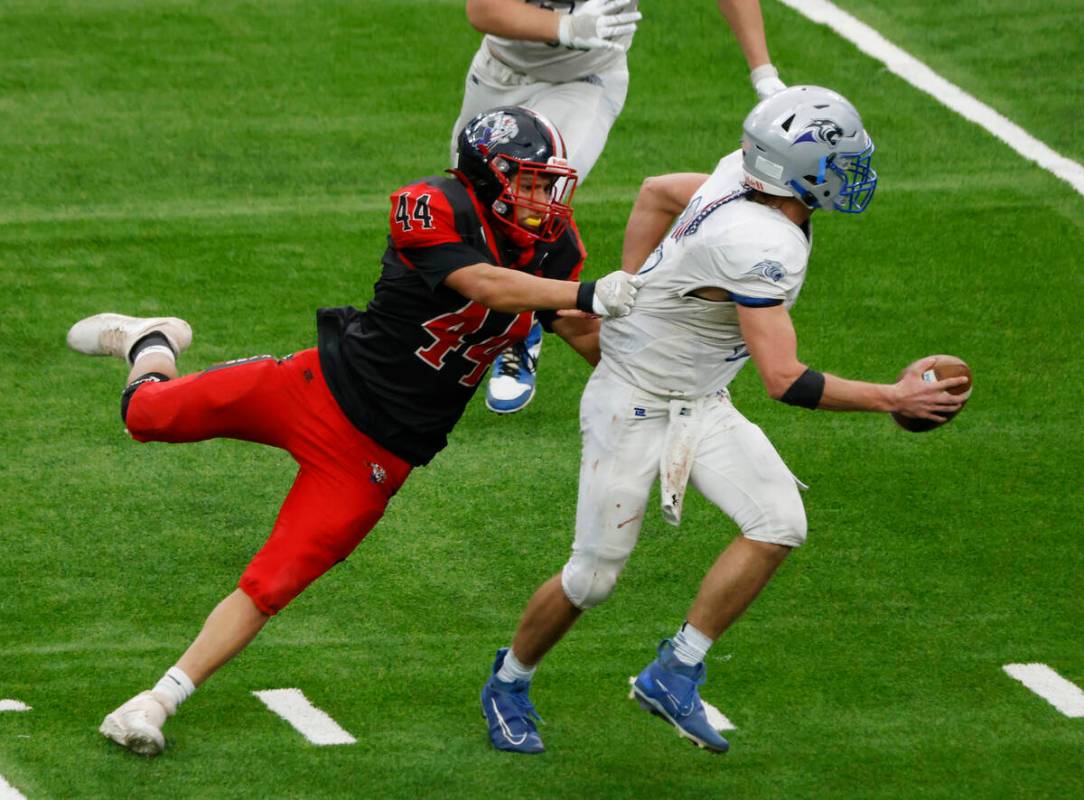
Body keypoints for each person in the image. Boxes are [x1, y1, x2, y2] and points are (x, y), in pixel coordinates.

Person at [68, 106, 642, 757]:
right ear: (486, 174)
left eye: (546, 185)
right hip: (316, 388)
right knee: (146, 417)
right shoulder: (431, 204)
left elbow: (583, 333)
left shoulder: (552, 249)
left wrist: (660, 384)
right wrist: (586, 293)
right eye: (528, 182)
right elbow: (484, 285)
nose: (541, 200)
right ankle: (147, 339)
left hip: (375, 458)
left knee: (270, 584)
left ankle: (157, 700)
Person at [479, 86, 968, 754]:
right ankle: (508, 682)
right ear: (796, 169)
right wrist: (894, 398)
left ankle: (675, 669)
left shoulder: (741, 177)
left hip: (700, 396)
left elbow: (655, 191)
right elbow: (784, 379)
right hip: (633, 403)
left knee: (780, 522)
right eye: (836, 161)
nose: (849, 174)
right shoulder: (762, 243)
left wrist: (636, 288)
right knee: (592, 576)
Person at [453, 0, 787, 414]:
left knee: (530, 198)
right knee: (473, 202)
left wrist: (764, 73)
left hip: (584, 77)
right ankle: (481, 320)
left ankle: (521, 332)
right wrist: (568, 26)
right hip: (499, 69)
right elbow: (483, 10)